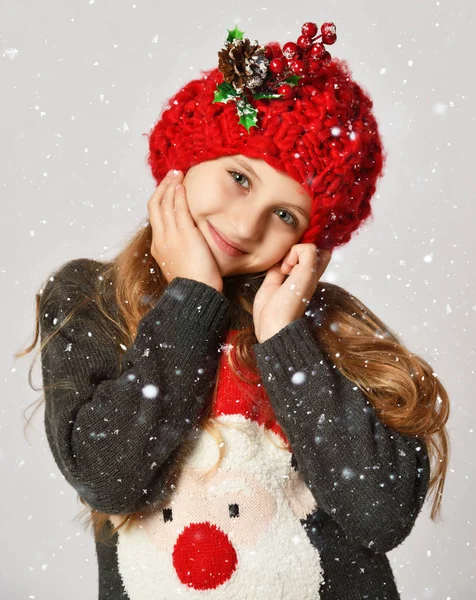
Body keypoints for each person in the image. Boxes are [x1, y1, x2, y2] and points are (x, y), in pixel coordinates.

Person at [19, 20, 450, 600]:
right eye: (239, 177)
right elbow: (109, 477)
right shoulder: (89, 300)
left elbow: (379, 515)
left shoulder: (324, 328)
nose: (247, 225)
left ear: (310, 241)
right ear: (188, 159)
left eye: (285, 215)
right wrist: (192, 299)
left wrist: (283, 338)